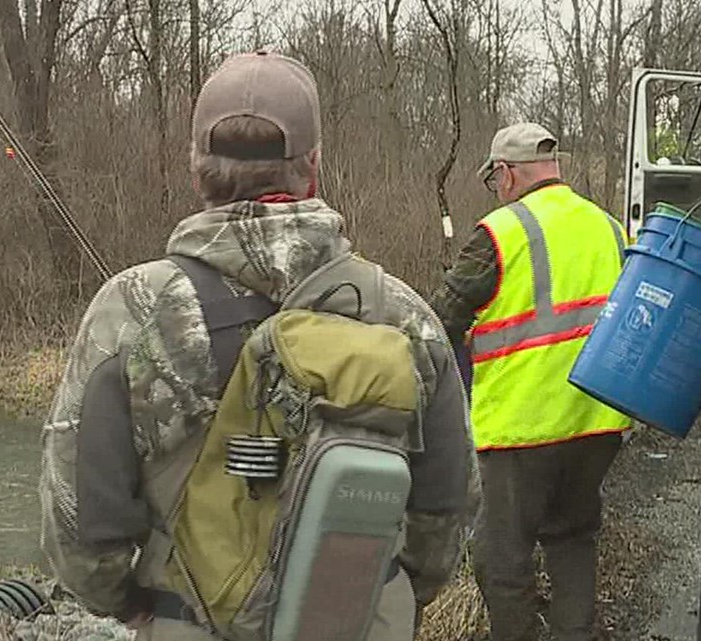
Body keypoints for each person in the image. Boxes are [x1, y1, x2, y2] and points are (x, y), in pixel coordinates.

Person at [37, 50, 480, 641]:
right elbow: (449, 509)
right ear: (314, 167)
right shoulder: (404, 316)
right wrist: (386, 596)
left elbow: (80, 524)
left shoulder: (131, 308)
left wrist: (134, 606)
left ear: (198, 170)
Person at [428, 122, 632, 641]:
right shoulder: (610, 228)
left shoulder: (500, 232)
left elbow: (438, 322)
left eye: (495, 179)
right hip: (597, 425)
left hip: (522, 430)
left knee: (503, 560)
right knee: (572, 541)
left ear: (507, 173)